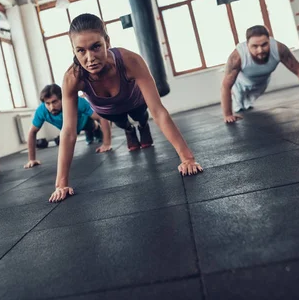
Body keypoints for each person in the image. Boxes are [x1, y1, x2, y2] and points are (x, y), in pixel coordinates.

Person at [49, 13, 203, 203]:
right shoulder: (72, 78)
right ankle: (130, 130)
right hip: (109, 112)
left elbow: (159, 111)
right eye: (81, 51)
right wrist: (61, 184)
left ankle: (142, 125)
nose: (90, 58)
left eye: (96, 47)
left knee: (142, 116)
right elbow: (69, 131)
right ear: (74, 50)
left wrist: (187, 158)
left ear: (107, 41)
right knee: (123, 124)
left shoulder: (130, 60)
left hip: (136, 102)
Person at [221, 25, 299, 123]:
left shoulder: (279, 49)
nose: (260, 50)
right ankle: (237, 101)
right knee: (238, 106)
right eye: (255, 46)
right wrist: (228, 115)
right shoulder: (237, 56)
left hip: (262, 83)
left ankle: (245, 102)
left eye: (264, 45)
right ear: (247, 45)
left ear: (269, 41)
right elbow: (226, 85)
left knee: (248, 105)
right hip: (239, 84)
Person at [24, 84, 112, 169]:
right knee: (79, 139)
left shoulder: (77, 102)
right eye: (47, 103)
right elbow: (32, 132)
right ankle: (90, 134)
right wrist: (32, 159)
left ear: (62, 99)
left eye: (54, 102)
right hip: (68, 129)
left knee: (92, 127)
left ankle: (95, 129)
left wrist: (107, 144)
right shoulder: (41, 110)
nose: (51, 107)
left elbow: (102, 118)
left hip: (84, 122)